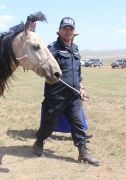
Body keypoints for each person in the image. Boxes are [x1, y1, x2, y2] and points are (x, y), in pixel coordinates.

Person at [33, 17, 99, 166]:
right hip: (56, 96)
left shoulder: (75, 49)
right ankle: (39, 142)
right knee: (49, 123)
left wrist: (81, 87)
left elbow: (78, 72)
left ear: (74, 32)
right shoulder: (52, 49)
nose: (68, 31)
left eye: (71, 29)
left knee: (78, 124)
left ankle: (83, 153)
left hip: (74, 96)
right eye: (65, 29)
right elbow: (42, 67)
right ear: (60, 31)